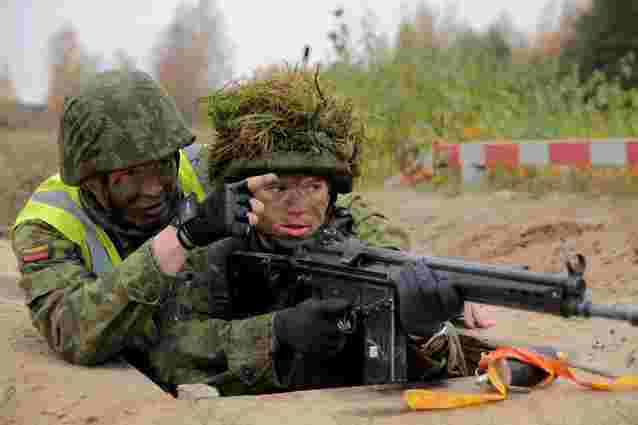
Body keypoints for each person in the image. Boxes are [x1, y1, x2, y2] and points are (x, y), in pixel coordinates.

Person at [9, 69, 424, 384]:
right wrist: (184, 235)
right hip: (140, 348)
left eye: (161, 167)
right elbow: (77, 333)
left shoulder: (205, 168)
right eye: (127, 178)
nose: (153, 189)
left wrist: (406, 267)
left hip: (207, 329)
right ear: (91, 181)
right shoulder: (46, 226)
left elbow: (335, 199)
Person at [136, 69, 495, 395]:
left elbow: (449, 357)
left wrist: (423, 330)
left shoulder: (362, 236)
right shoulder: (213, 247)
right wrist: (278, 330)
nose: (299, 205)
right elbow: (169, 353)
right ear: (244, 194)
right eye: (278, 189)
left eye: (313, 187)